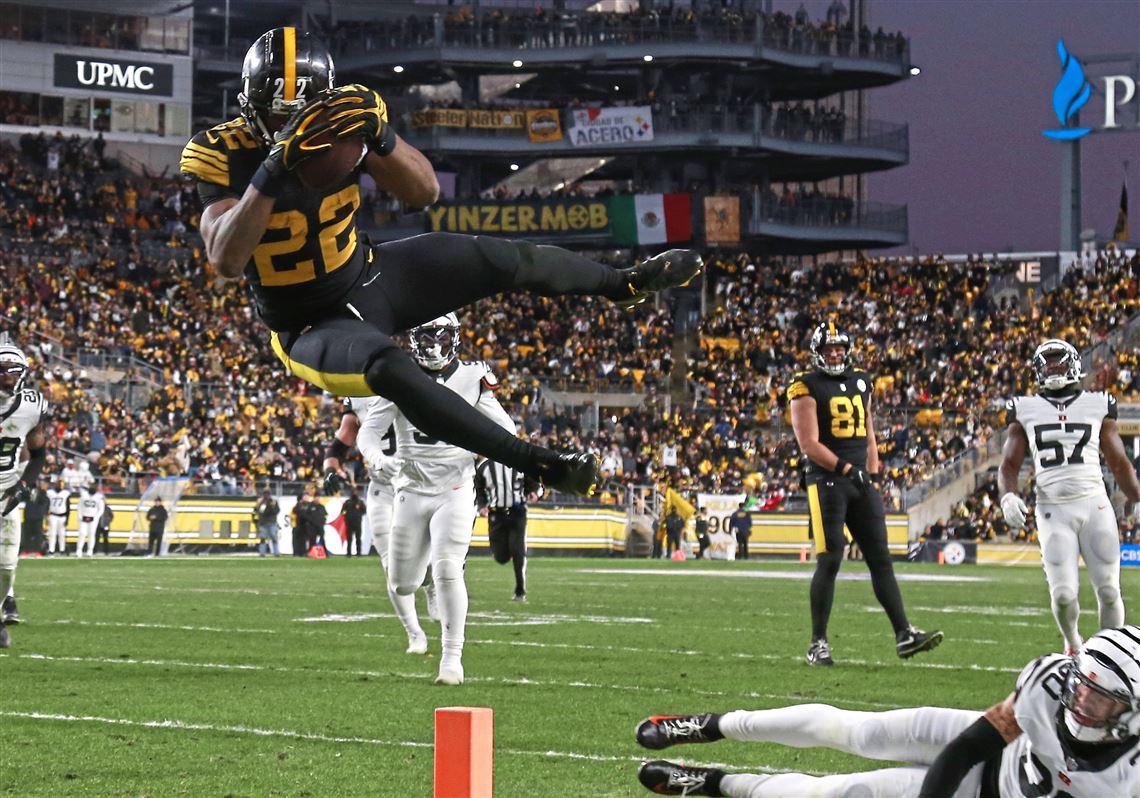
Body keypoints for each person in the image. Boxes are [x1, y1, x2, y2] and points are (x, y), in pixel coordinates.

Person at [180, 26, 702, 500]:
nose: (288, 124)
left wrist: (378, 137)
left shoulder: (343, 126)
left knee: (496, 256)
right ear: (249, 104)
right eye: (276, 113)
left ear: (324, 104)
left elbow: (424, 191)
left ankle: (624, 283)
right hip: (306, 322)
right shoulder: (220, 151)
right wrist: (273, 170)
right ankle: (534, 462)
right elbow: (226, 258)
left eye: (301, 114)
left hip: (368, 274)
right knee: (389, 366)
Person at [633, 625, 1140, 798]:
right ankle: (714, 725)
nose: (1079, 700)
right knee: (858, 730)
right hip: (989, 754)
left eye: (1100, 699)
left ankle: (713, 784)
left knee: (832, 793)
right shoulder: (1048, 685)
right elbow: (969, 746)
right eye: (1081, 686)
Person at [342, 313, 515, 685]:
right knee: (402, 583)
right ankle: (426, 585)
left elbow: (505, 428)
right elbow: (368, 433)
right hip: (409, 489)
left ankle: (452, 660)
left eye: (438, 335)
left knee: (449, 567)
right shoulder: (400, 376)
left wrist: (483, 453)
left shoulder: (473, 376)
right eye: (425, 335)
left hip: (454, 487)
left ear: (453, 337)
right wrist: (377, 459)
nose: (432, 343)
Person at [787, 322, 941, 665]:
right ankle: (818, 642)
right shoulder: (804, 386)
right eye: (829, 350)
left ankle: (903, 633)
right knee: (830, 560)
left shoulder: (860, 381)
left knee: (881, 559)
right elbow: (809, 444)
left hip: (859, 480)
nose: (836, 354)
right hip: (826, 482)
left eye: (839, 348)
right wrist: (844, 468)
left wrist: (871, 472)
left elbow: (869, 431)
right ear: (818, 353)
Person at [998, 339, 1140, 655]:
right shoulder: (1025, 408)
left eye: (1057, 361)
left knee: (1109, 590)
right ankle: (1073, 644)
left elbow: (1118, 462)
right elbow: (1008, 465)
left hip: (1095, 504)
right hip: (1052, 509)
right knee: (1063, 594)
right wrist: (1008, 496)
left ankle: (1109, 657)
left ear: (1073, 364)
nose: (1051, 368)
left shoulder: (1098, 403)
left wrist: (1137, 496)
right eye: (1045, 363)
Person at [323, 397, 436, 655]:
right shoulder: (358, 395)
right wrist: (329, 470)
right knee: (390, 564)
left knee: (428, 556)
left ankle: (431, 583)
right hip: (382, 487)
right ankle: (414, 633)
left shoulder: (409, 381)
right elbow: (339, 444)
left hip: (418, 484)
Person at [0, 342, 50, 648]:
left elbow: (39, 455)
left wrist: (22, 487)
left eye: (11, 371)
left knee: (6, 565)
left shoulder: (32, 406)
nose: (5, 377)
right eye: (0, 371)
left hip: (5, 490)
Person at [475, 457, 542, 601]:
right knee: (501, 557)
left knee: (518, 552)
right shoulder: (484, 467)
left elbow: (535, 483)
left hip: (517, 513)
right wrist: (482, 505)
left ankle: (520, 589)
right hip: (496, 515)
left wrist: (534, 492)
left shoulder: (521, 464)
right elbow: (478, 489)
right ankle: (509, 551)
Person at [19, 480, 48, 555]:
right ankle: (25, 550)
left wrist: (43, 491)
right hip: (28, 516)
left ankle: (38, 551)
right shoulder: (27, 491)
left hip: (37, 517)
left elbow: (43, 501)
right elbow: (22, 497)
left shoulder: (42, 492)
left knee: (38, 535)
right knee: (26, 535)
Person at [75, 485, 105, 558]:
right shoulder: (83, 496)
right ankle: (79, 550)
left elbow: (101, 509)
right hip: (83, 517)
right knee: (82, 533)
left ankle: (90, 550)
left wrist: (96, 517)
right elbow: (79, 507)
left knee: (91, 534)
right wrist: (80, 516)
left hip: (93, 518)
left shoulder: (99, 498)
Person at [45, 479, 71, 555]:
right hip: (53, 515)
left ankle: (62, 550)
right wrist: (46, 515)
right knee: (52, 533)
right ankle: (51, 550)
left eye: (61, 483)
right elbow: (46, 504)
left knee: (62, 534)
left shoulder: (66, 493)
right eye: (58, 483)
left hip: (62, 516)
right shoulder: (50, 493)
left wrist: (67, 518)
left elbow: (68, 507)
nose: (60, 485)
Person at [253, 489, 280, 557]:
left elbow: (277, 510)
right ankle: (262, 553)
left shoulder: (273, 502)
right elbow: (256, 510)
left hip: (271, 522)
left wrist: (271, 508)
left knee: (274, 538)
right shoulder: (260, 502)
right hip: (263, 522)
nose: (266, 495)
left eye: (267, 493)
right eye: (265, 493)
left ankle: (276, 552)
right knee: (263, 538)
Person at [340, 486, 366, 556]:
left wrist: (358, 515)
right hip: (349, 523)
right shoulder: (347, 502)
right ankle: (348, 553)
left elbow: (364, 511)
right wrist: (346, 515)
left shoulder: (360, 502)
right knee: (349, 539)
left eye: (356, 491)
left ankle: (359, 553)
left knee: (358, 538)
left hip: (357, 523)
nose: (355, 493)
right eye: (354, 491)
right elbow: (342, 511)